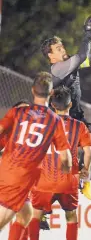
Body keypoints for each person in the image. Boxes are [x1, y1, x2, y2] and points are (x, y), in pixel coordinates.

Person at [40, 15, 91, 199]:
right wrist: (88, 34)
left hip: (77, 115)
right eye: (58, 48)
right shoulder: (57, 69)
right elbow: (82, 55)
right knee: (55, 164)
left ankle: (82, 179)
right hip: (60, 119)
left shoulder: (70, 65)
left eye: (62, 46)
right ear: (51, 56)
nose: (63, 49)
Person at [0, 72, 72, 239]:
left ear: (33, 90)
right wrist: (66, 169)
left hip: (8, 170)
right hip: (20, 177)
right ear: (51, 93)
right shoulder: (54, 120)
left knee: (26, 214)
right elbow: (66, 159)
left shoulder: (18, 112)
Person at [18, 86, 91, 240]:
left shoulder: (43, 124)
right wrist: (86, 169)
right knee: (71, 217)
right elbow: (89, 151)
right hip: (68, 181)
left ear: (52, 105)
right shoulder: (79, 126)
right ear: (70, 105)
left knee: (36, 215)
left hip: (44, 180)